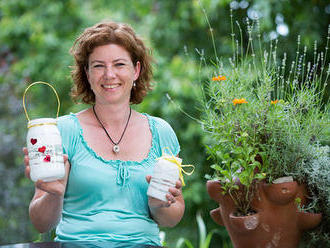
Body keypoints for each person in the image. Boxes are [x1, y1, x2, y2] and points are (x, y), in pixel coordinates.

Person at [23, 21, 184, 246]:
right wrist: (54, 194)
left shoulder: (161, 132)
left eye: (119, 64)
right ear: (87, 73)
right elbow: (41, 223)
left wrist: (159, 204)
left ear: (136, 70)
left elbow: (172, 218)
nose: (109, 74)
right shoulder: (62, 131)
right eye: (98, 66)